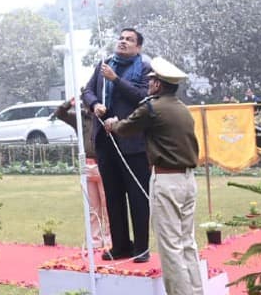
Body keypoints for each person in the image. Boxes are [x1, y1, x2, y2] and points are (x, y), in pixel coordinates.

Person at [102, 57, 203, 295]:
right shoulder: (182, 108)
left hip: (167, 181)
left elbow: (125, 128)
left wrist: (112, 124)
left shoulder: (152, 107)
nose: (148, 84)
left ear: (158, 85)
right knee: (187, 243)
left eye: (151, 80)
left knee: (170, 247)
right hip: (188, 181)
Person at [83, 27, 153, 262]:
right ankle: (121, 245)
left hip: (133, 144)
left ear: (138, 47)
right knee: (112, 197)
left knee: (137, 197)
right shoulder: (104, 64)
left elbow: (143, 98)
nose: (123, 42)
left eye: (129, 40)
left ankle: (141, 248)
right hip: (105, 142)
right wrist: (94, 105)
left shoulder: (144, 67)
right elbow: (88, 91)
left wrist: (116, 79)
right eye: (121, 38)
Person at [55, 96, 109, 252]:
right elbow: (59, 114)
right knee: (92, 208)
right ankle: (95, 241)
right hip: (87, 165)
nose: (87, 105)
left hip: (103, 165)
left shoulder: (103, 116)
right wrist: (69, 103)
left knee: (108, 207)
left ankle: (110, 240)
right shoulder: (79, 119)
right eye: (85, 102)